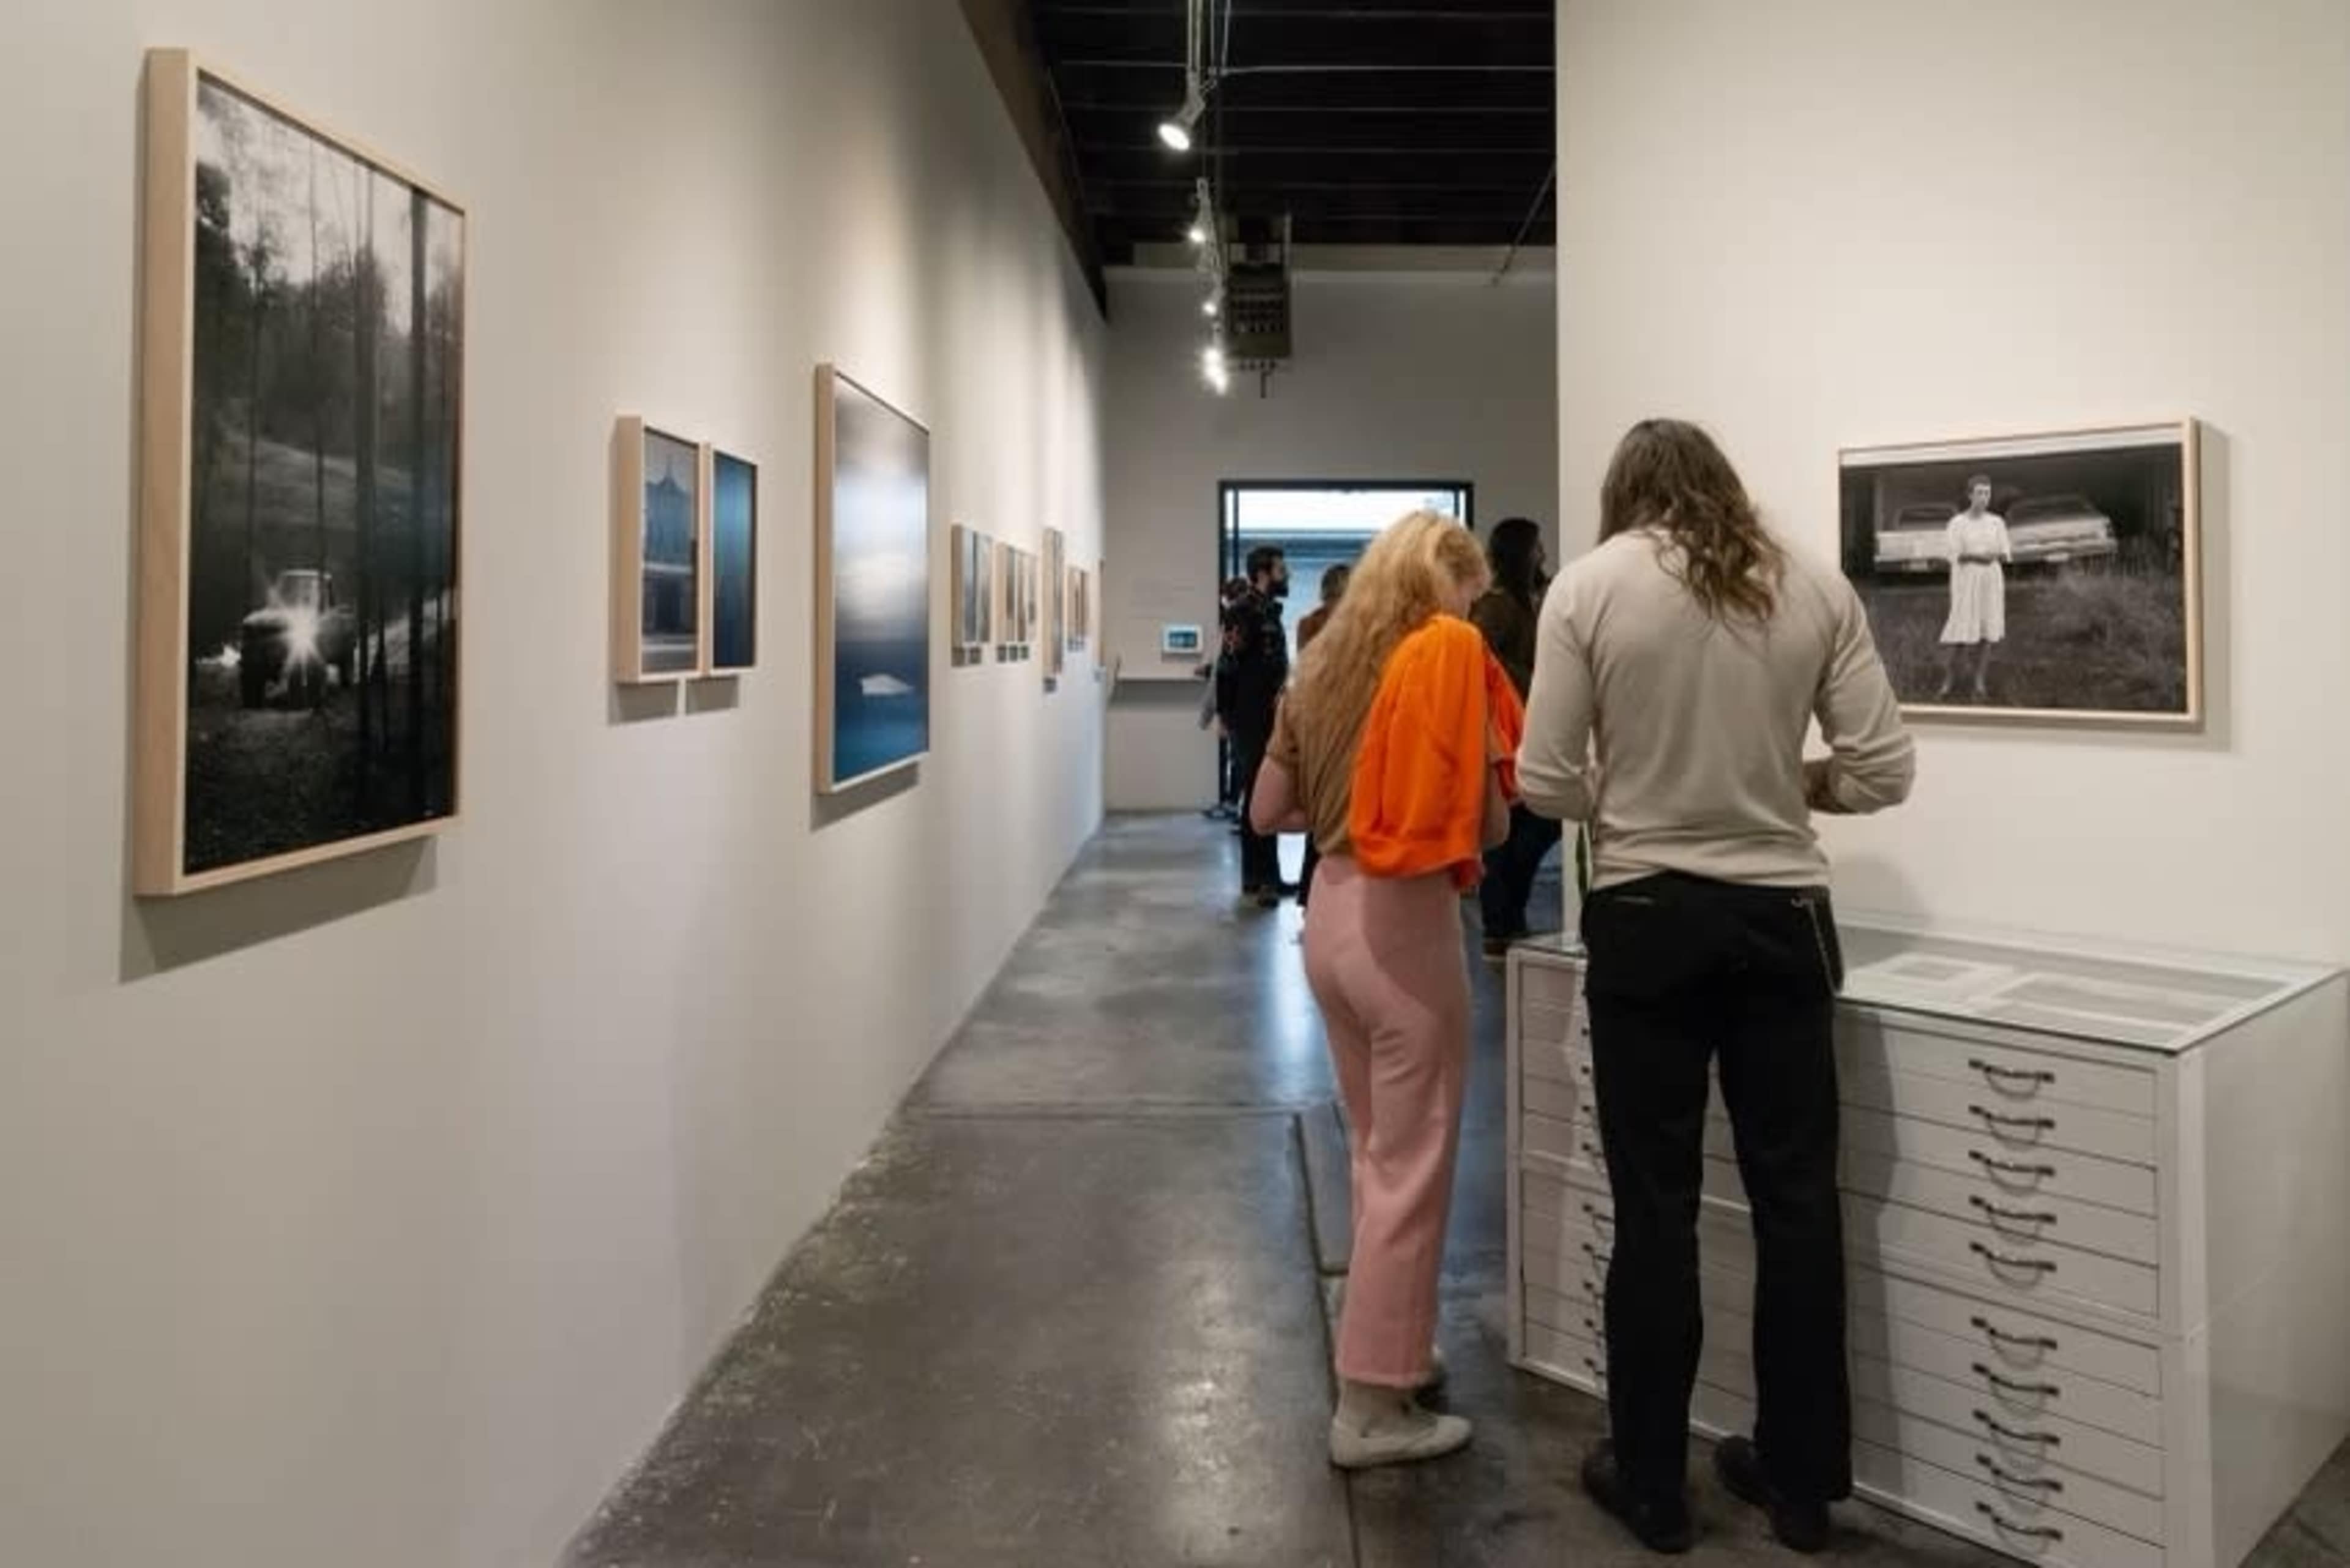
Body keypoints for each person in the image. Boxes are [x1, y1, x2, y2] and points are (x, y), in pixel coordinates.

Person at [1517, 420, 1914, 1554]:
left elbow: (1544, 781)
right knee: (1799, 1204)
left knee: (1656, 1209)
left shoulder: (1590, 588)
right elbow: (1884, 767)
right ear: (1722, 486)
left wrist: (1644, 791)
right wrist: (1785, 785)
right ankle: (1799, 1484)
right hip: (1782, 920)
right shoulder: (1810, 585)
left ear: (1626, 494)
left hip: (1646, 919)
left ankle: (1650, 1481)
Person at [1251, 511, 1522, 1469]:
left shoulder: (1316, 670)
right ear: (1442, 586)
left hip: (1327, 915)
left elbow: (1265, 810)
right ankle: (1370, 1406)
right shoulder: (1444, 667)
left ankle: (1397, 1342)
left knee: (1374, 1148)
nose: (1471, 613)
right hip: (1405, 923)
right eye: (1468, 594)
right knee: (1416, 1162)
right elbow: (1489, 827)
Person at [1469, 518, 1562, 959]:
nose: (1543, 553)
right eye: (1537, 546)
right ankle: (1500, 923)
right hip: (1508, 733)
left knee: (1530, 825)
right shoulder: (1499, 606)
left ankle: (1507, 920)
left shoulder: (1527, 601)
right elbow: (1480, 658)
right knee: (1519, 829)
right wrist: (1532, 680)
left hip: (1525, 729)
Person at [1218, 547, 1292, 906]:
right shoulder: (1243, 611)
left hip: (1268, 716)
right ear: (1264, 572)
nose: (1287, 575)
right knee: (1260, 794)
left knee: (1261, 794)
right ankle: (1262, 878)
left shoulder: (1267, 611)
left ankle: (1262, 876)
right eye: (1282, 569)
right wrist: (1225, 716)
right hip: (1250, 719)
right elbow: (1227, 665)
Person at [1292, 564, 1351, 906]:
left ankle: (1311, 896)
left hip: (1319, 725)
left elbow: (1305, 671)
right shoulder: (1352, 626)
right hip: (1338, 724)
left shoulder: (1308, 624)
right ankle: (1327, 894)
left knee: (1321, 816)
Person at [1936, 474, 2010, 703]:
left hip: (1990, 580)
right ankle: (1949, 680)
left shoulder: (1997, 522)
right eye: (1979, 493)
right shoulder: (1957, 523)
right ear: (1969, 495)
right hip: (1967, 581)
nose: (1984, 498)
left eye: (1987, 493)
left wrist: (1993, 555)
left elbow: (2004, 551)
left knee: (1987, 631)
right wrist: (1978, 557)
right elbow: (1954, 554)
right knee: (1962, 632)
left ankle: (1979, 680)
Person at [1199, 576, 1253, 821]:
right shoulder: (1236, 627)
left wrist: (1222, 713)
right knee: (1238, 757)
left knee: (1241, 758)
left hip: (1240, 704)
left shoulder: (1239, 627)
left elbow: (1230, 669)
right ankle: (1236, 805)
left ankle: (1238, 807)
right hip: (1239, 703)